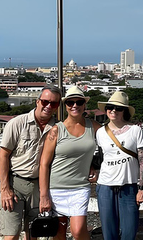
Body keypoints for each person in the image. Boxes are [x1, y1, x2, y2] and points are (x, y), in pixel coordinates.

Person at [0, 85, 61, 240]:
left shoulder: (58, 128)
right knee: (11, 234)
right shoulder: (17, 123)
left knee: (34, 233)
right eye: (45, 101)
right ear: (37, 101)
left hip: (40, 187)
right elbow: (3, 155)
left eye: (53, 103)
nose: (48, 106)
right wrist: (5, 189)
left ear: (57, 106)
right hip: (16, 183)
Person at [39, 86, 100, 240]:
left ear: (84, 104)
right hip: (56, 188)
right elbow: (44, 164)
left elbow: (110, 147)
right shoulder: (56, 131)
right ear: (65, 106)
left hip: (80, 187)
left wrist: (96, 166)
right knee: (59, 233)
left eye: (79, 102)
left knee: (78, 231)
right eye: (70, 102)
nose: (75, 106)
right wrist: (44, 195)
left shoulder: (92, 126)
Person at [95, 91, 143, 240]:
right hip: (105, 185)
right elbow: (100, 157)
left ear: (124, 111)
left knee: (129, 232)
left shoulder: (136, 130)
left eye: (118, 108)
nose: (113, 111)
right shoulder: (100, 132)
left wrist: (142, 188)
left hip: (129, 186)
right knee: (108, 233)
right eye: (110, 107)